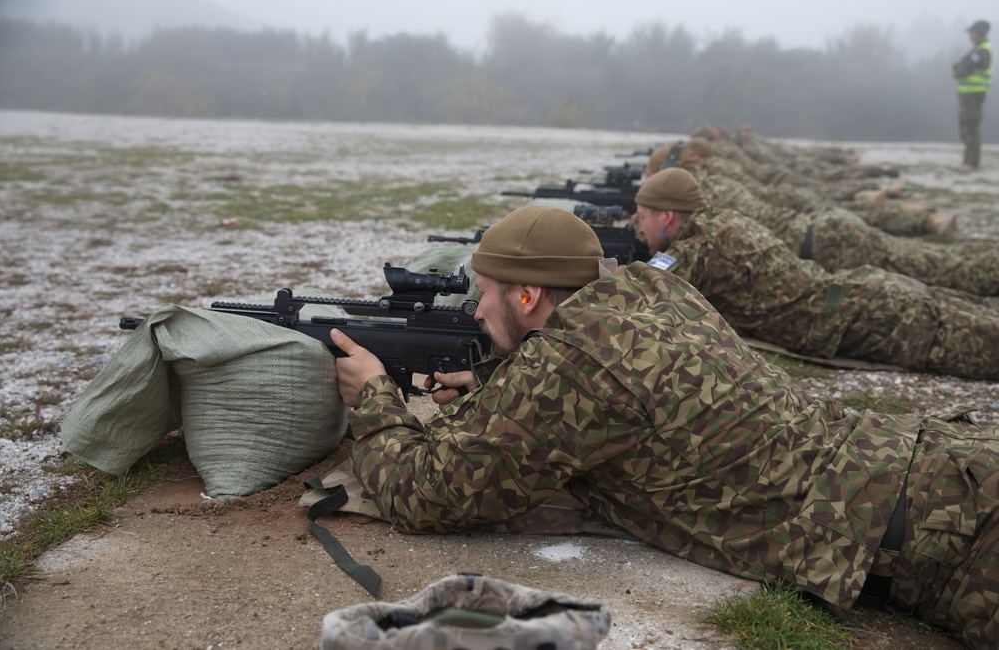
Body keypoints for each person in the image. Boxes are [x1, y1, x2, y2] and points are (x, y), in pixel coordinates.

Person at [332, 205, 999, 650]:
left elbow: (428, 492)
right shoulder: (653, 293)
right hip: (938, 463)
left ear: (528, 295)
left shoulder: (571, 368)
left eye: (485, 293)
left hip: (945, 539)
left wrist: (373, 399)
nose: (476, 312)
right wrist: (494, 387)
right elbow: (623, 385)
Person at [631, 168, 999, 379]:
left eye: (642, 216)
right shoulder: (722, 223)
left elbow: (642, 299)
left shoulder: (696, 252)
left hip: (875, 320)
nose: (637, 224)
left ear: (667, 217)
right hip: (866, 297)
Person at [649, 140, 999, 296]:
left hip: (823, 240)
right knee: (926, 261)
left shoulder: (703, 214)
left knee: (931, 267)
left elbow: (666, 272)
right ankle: (923, 218)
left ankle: (930, 223)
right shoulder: (709, 195)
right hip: (812, 225)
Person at [953, 20, 993, 170]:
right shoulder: (977, 50)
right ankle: (967, 161)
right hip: (967, 96)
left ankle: (972, 163)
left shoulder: (982, 51)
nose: (971, 35)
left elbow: (964, 68)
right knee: (965, 129)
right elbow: (961, 66)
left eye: (973, 32)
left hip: (973, 96)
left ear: (981, 33)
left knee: (971, 129)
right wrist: (959, 68)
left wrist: (958, 70)